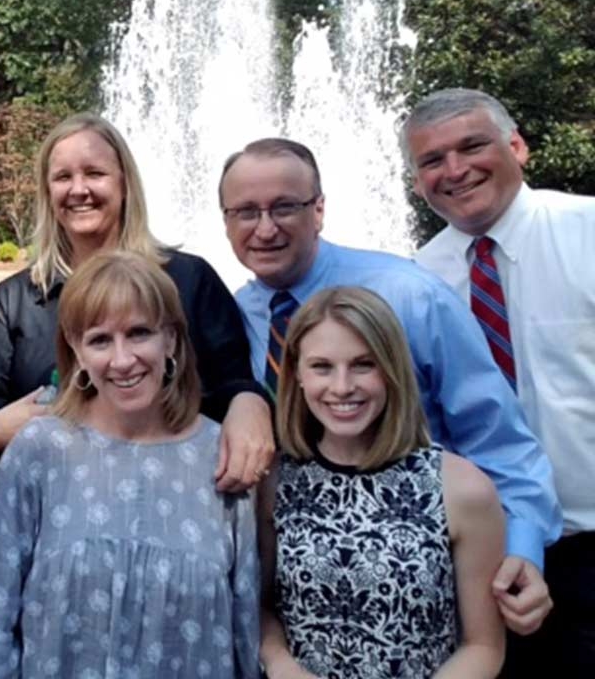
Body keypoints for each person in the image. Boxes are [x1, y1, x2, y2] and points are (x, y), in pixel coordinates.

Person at [218, 137, 561, 636]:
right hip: (298, 602)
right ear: (226, 221)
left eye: (285, 207)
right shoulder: (231, 315)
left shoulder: (410, 295)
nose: (265, 228)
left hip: (419, 596)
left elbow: (498, 438)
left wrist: (522, 552)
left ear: (318, 209)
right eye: (246, 212)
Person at [0, 251, 260, 678]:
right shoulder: (41, 451)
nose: (122, 360)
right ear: (77, 350)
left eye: (139, 334)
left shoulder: (219, 454)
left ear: (171, 339)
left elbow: (243, 615)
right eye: (100, 340)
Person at [0, 111, 271, 492]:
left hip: (175, 497)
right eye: (63, 177)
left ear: (125, 183)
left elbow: (234, 382)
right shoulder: (17, 299)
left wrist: (250, 404)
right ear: (47, 192)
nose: (78, 189)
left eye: (94, 173)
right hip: (54, 501)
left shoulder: (190, 281)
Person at [403, 88, 595, 672]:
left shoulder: (589, 233)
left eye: (472, 146)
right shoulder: (415, 281)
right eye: (432, 161)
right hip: (486, 557)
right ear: (416, 183)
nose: (455, 170)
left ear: (518, 146)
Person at [259, 286, 505, 679]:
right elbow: (260, 606)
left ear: (391, 369)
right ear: (298, 375)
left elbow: (483, 645)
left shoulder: (462, 489)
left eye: (363, 364)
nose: (342, 386)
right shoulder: (273, 482)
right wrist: (280, 662)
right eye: (322, 366)